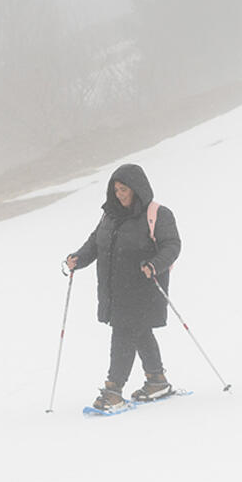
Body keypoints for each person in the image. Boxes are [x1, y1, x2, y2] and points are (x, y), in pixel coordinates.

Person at [66, 164, 181, 411]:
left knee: (124, 333)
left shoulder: (158, 214)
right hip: (115, 288)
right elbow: (96, 242)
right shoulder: (111, 216)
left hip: (144, 287)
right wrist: (78, 258)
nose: (119, 194)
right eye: (116, 189)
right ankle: (156, 380)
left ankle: (113, 390)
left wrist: (154, 264)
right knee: (138, 332)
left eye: (124, 189)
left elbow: (172, 246)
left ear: (137, 188)